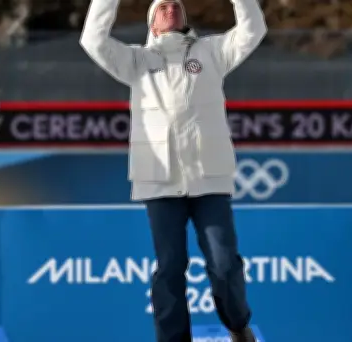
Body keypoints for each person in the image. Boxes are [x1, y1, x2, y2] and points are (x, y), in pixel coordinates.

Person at [80, 0, 266, 341]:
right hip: (160, 181)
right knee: (169, 268)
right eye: (163, 6)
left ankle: (238, 326)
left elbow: (253, 29)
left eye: (176, 5)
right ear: (152, 22)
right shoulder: (136, 61)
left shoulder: (211, 52)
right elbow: (92, 39)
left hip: (209, 178)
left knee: (224, 264)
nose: (171, 9)